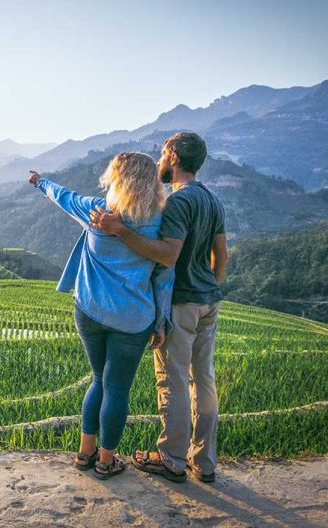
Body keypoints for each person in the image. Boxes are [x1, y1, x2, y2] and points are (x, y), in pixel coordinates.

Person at [90, 132, 228, 483]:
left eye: (163, 154)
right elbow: (221, 255)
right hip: (208, 302)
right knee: (204, 380)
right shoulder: (213, 201)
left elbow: (168, 255)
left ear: (173, 155)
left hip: (182, 302)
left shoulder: (179, 203)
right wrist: (210, 286)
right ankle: (205, 461)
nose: (160, 162)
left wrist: (120, 231)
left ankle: (171, 459)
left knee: (174, 381)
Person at [29, 152, 174, 480]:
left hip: (90, 311)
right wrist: (162, 319)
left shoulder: (97, 210)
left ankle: (84, 454)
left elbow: (63, 197)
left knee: (98, 380)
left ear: (117, 178)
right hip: (132, 319)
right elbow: (165, 275)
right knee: (117, 388)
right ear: (150, 183)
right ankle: (107, 462)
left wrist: (40, 182)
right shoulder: (159, 221)